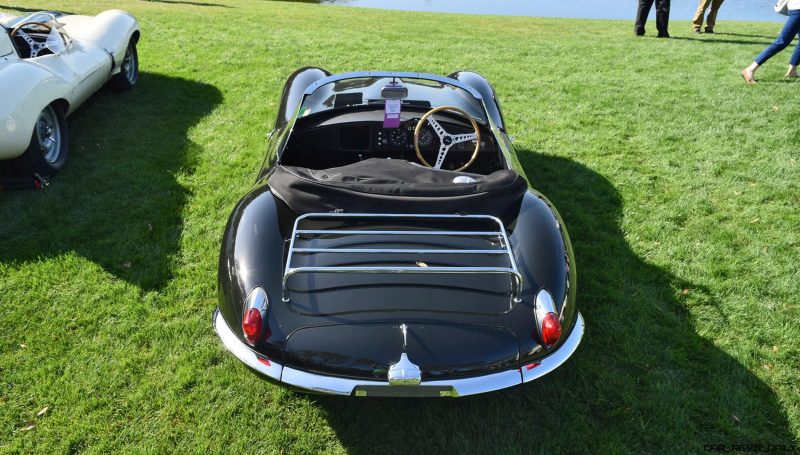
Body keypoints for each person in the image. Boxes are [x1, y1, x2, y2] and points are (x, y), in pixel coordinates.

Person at [741, 0, 800, 83]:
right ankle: (750, 70)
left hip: (796, 8)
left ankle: (792, 71)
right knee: (782, 41)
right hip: (798, 9)